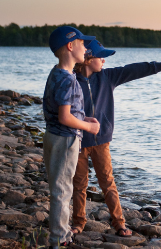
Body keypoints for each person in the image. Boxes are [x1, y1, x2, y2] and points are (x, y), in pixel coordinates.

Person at [70, 40, 161, 237]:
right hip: (78, 141)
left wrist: (159, 66)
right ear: (87, 59)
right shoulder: (71, 80)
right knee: (79, 184)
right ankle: (78, 222)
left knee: (108, 183)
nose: (103, 60)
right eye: (100, 57)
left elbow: (132, 70)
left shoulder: (108, 77)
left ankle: (119, 223)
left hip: (101, 141)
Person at [42, 26, 101, 247]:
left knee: (60, 187)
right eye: (83, 44)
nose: (86, 48)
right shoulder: (67, 79)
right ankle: (59, 239)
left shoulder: (57, 73)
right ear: (70, 46)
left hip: (53, 135)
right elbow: (65, 117)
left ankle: (62, 233)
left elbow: (62, 109)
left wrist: (85, 117)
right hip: (65, 139)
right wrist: (88, 127)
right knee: (62, 190)